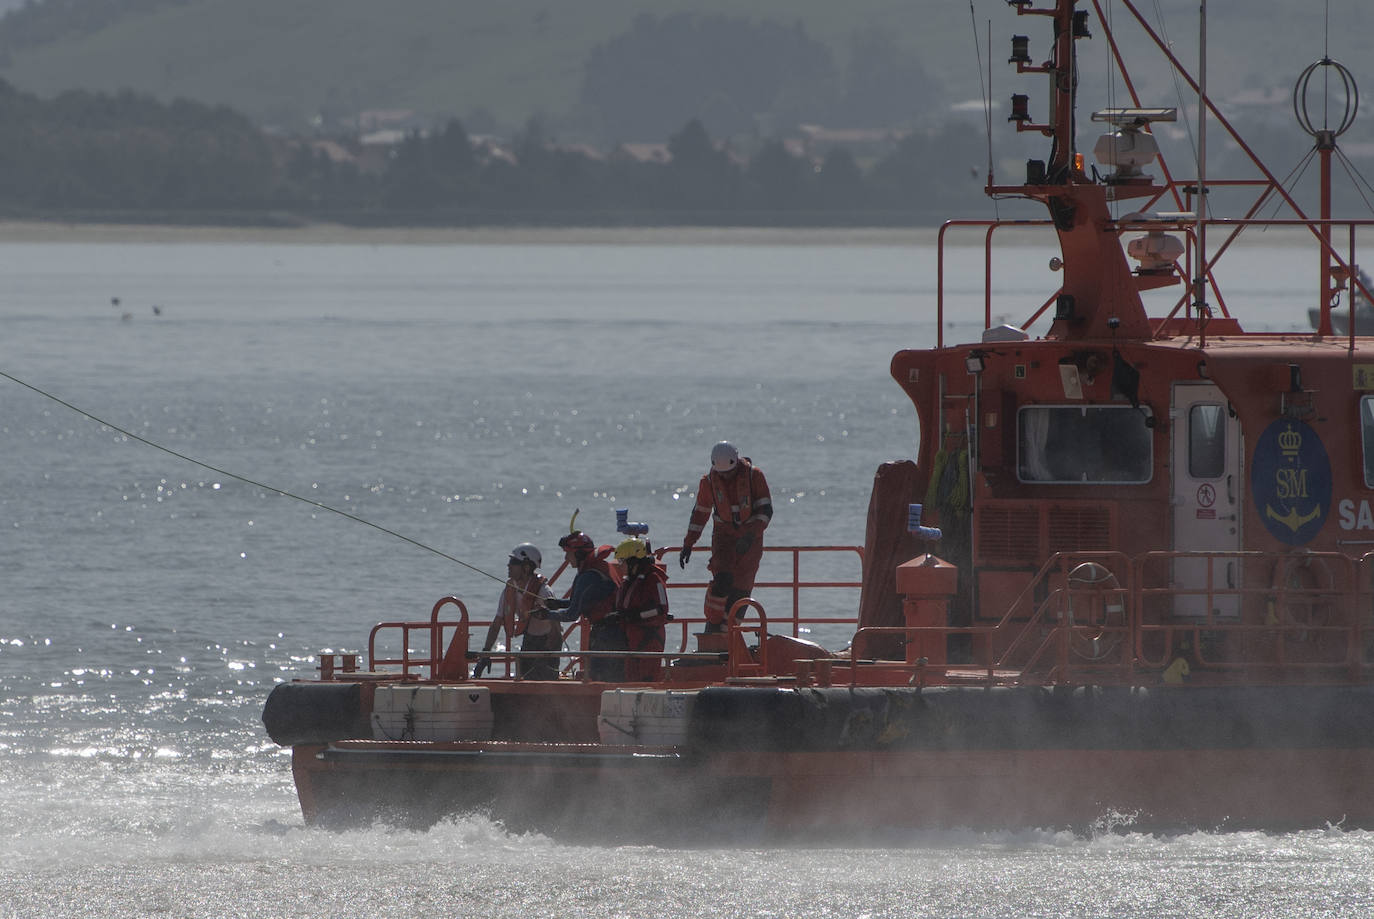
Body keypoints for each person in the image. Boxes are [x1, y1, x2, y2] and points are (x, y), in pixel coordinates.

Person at [679, 441, 772, 631]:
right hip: (724, 538)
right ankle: (712, 629)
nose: (726, 477)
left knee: (742, 589)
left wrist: (750, 535)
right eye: (722, 474)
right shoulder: (710, 482)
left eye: (729, 473)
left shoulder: (754, 476)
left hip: (750, 540)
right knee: (721, 582)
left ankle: (728, 634)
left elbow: (766, 510)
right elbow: (700, 513)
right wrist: (688, 543)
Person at [546, 525, 623, 681]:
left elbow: (572, 614)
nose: (566, 559)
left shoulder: (587, 576)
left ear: (579, 554)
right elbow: (583, 601)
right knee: (613, 678)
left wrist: (546, 615)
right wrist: (558, 604)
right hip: (617, 633)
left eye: (568, 554)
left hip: (605, 636)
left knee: (598, 678)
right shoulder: (599, 569)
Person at [474, 543, 560, 680]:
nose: (508, 566)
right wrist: (485, 653)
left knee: (543, 683)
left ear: (526, 567)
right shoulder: (510, 589)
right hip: (529, 641)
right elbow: (496, 623)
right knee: (524, 677)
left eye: (513, 562)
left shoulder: (543, 592)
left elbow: (556, 629)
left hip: (546, 643)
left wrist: (548, 656)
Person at [612, 537, 669, 682]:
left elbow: (661, 609)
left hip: (649, 640)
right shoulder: (630, 581)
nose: (620, 566)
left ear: (633, 561)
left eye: (622, 561)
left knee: (646, 680)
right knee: (630, 679)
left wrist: (636, 616)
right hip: (632, 640)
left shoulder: (653, 580)